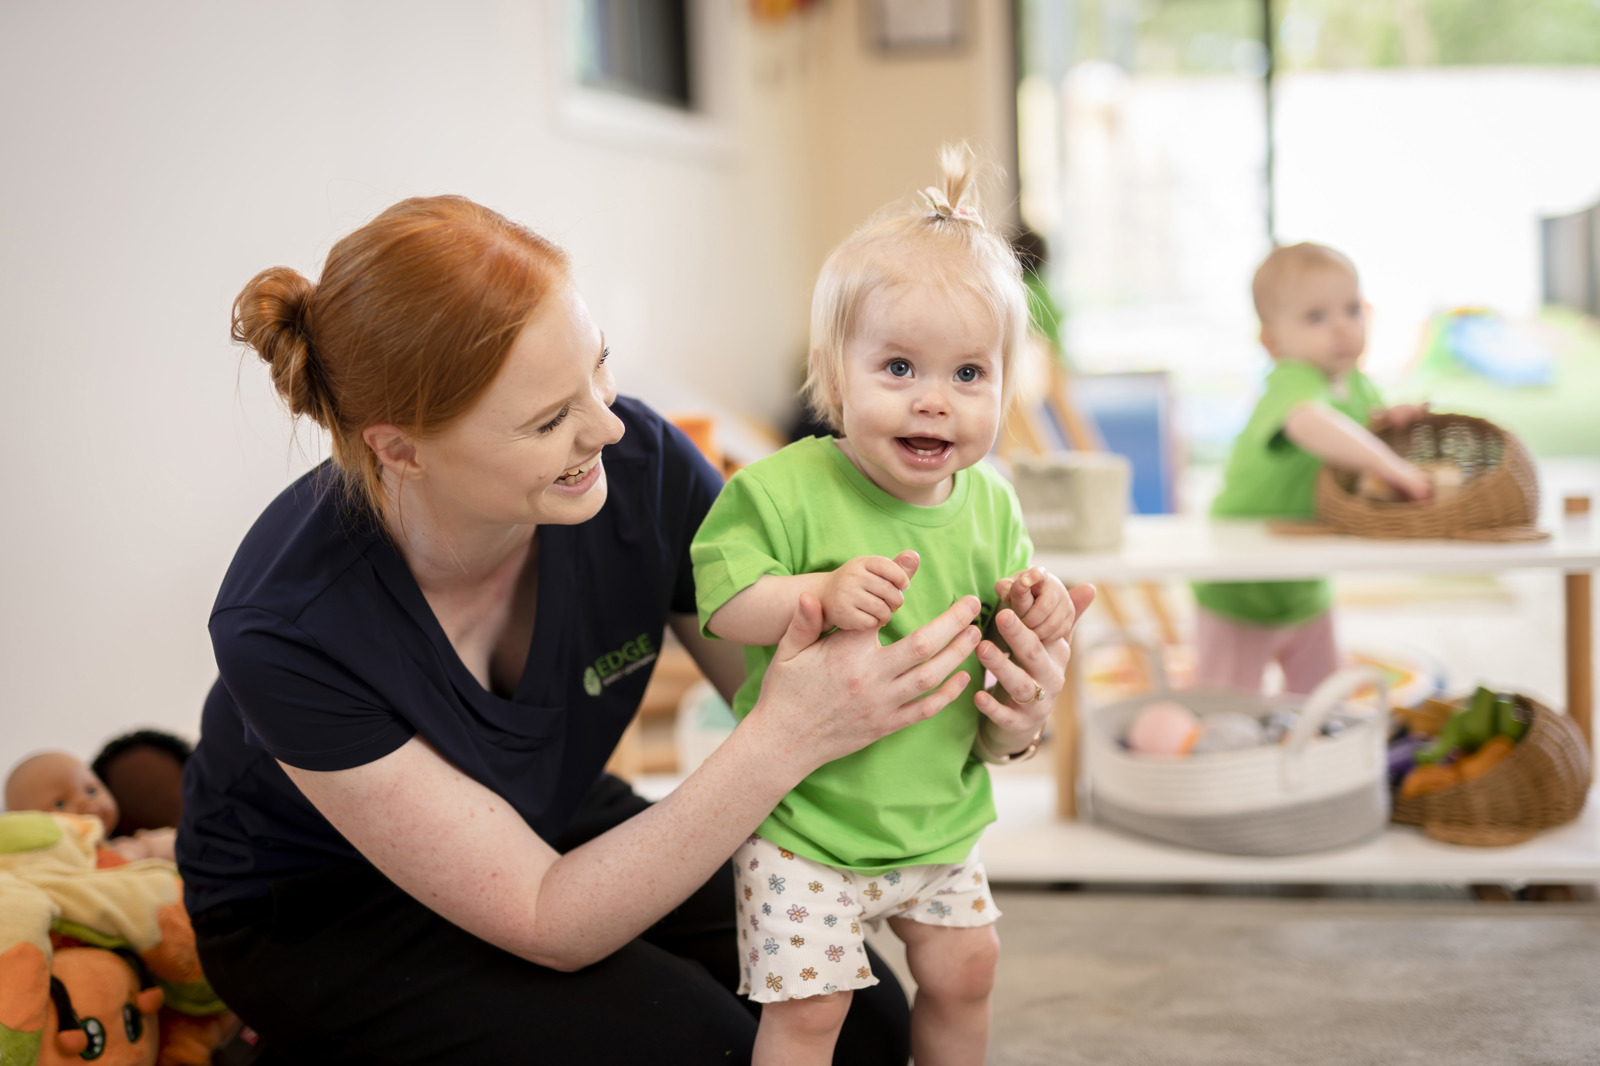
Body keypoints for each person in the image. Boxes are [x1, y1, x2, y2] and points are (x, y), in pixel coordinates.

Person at [176, 195, 1086, 1064]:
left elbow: (806, 689)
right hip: (322, 905)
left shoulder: (639, 467)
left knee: (863, 1040)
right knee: (705, 1050)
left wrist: (1004, 715)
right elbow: (548, 914)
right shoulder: (287, 625)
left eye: (599, 368)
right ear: (400, 447)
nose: (607, 424)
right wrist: (781, 737)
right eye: (549, 419)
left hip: (557, 812)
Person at [691, 149, 1095, 1066]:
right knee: (812, 1013)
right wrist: (813, 594)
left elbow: (1006, 654)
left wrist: (1035, 618)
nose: (934, 402)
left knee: (968, 971)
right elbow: (723, 602)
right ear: (836, 372)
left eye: (968, 375)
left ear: (1004, 383)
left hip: (938, 820)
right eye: (900, 367)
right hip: (805, 827)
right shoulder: (783, 489)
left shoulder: (991, 501)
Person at [1191, 242, 1430, 695]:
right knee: (1225, 708)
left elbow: (1364, 435)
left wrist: (1390, 423)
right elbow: (1311, 424)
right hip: (1240, 578)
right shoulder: (1292, 380)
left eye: (1351, 310)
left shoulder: (1356, 383)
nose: (1342, 328)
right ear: (1272, 341)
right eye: (1316, 317)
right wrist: (1392, 466)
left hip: (1304, 578)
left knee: (1323, 701)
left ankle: (1310, 755)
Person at [4, 750, 176, 861]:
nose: (84, 802)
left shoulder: (129, 846)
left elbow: (183, 845)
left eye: (91, 791)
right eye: (60, 803)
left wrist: (141, 850)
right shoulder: (47, 869)